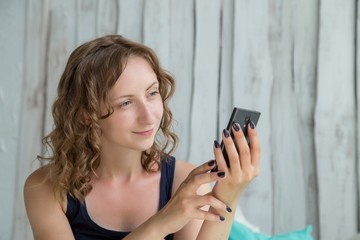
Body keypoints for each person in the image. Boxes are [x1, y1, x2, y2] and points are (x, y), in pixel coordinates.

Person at [24, 35, 260, 240]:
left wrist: (228, 194)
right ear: (86, 114)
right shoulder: (46, 188)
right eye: (126, 103)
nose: (149, 117)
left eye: (152, 93)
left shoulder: (184, 181)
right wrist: (162, 223)